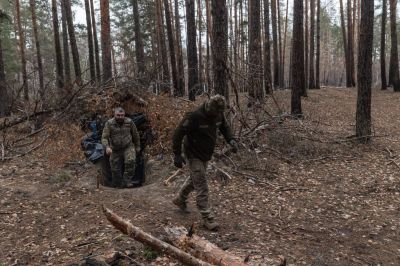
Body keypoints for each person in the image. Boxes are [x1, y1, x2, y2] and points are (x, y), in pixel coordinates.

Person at [172, 94, 239, 230]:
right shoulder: (194, 116)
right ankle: (207, 217)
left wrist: (231, 140)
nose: (215, 115)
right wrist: (177, 154)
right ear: (209, 106)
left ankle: (180, 198)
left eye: (218, 113)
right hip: (193, 153)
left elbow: (225, 128)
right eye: (213, 112)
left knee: (195, 180)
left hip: (206, 154)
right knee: (201, 183)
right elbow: (178, 134)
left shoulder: (219, 114)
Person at [101, 107, 140, 188]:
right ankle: (118, 184)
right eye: (118, 115)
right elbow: (104, 137)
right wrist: (107, 147)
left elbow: (135, 134)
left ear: (124, 115)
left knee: (131, 161)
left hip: (128, 146)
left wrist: (137, 146)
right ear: (114, 114)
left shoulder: (129, 122)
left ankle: (127, 181)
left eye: (122, 115)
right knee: (115, 168)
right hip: (115, 148)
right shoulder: (109, 123)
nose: (120, 117)